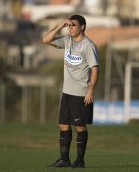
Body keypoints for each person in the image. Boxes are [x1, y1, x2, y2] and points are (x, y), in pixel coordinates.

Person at [42, 14, 99, 168]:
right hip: (67, 92)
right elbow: (46, 40)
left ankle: (80, 160)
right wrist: (61, 25)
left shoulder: (88, 45)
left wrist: (90, 90)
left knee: (80, 127)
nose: (71, 28)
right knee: (63, 125)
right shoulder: (67, 41)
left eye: (73, 25)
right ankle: (64, 159)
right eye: (69, 25)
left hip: (81, 93)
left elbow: (95, 69)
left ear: (82, 27)